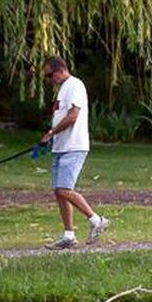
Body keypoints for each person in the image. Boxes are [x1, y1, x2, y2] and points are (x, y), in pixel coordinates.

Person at [38, 56, 109, 250]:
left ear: (61, 70)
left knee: (64, 189)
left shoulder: (75, 85)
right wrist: (51, 138)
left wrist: (51, 132)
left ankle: (96, 220)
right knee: (59, 192)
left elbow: (73, 116)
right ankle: (68, 235)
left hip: (74, 146)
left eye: (49, 75)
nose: (48, 80)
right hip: (61, 147)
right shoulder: (63, 89)